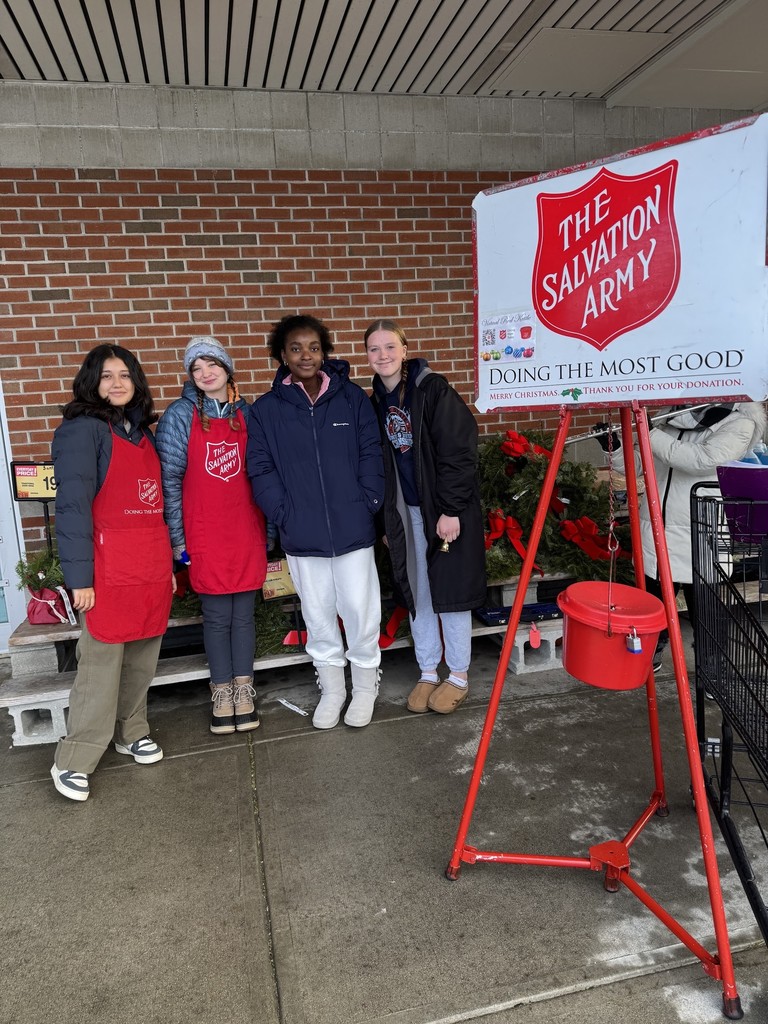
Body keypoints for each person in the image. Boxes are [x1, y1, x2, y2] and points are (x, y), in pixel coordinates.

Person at [246, 314, 384, 729]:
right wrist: (283, 512)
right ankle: (334, 688)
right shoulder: (267, 410)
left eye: (314, 347)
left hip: (353, 528)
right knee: (318, 614)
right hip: (301, 532)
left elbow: (371, 452)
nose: (306, 355)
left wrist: (368, 501)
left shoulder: (351, 399)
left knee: (360, 612)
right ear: (281, 355)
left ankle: (363, 687)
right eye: (295, 348)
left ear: (324, 352)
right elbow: (260, 467)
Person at [50, 344, 175, 802]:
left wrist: (167, 566)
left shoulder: (143, 433)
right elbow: (73, 509)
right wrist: (79, 578)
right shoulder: (81, 432)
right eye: (106, 376)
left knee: (141, 660)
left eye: (125, 375)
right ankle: (74, 757)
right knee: (100, 667)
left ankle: (131, 730)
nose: (117, 383)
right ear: (91, 383)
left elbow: (155, 507)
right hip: (107, 569)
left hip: (149, 566)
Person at [363, 318, 486, 714]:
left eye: (389, 347)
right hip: (405, 514)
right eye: (374, 349)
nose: (383, 355)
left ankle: (459, 675)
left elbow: (459, 451)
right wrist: (386, 521)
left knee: (449, 593)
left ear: (404, 348)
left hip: (442, 512)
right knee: (419, 593)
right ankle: (429, 670)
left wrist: (451, 509)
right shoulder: (374, 403)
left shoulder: (431, 390)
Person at [595, 401, 767, 664]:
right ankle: (651, 654)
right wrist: (615, 449)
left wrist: (649, 433)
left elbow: (700, 460)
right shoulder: (671, 416)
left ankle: (712, 668)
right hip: (657, 527)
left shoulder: (740, 422)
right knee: (653, 605)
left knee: (705, 612)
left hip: (702, 530)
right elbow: (641, 465)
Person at [156, 337, 268, 734]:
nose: (205, 373)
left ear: (226, 367)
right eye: (196, 368)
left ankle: (243, 689)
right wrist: (178, 542)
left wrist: (270, 531)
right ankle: (221, 691)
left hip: (246, 529)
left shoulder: (250, 414)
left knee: (244, 616)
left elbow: (266, 472)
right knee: (217, 617)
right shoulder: (178, 415)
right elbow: (169, 481)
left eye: (211, 364)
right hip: (202, 534)